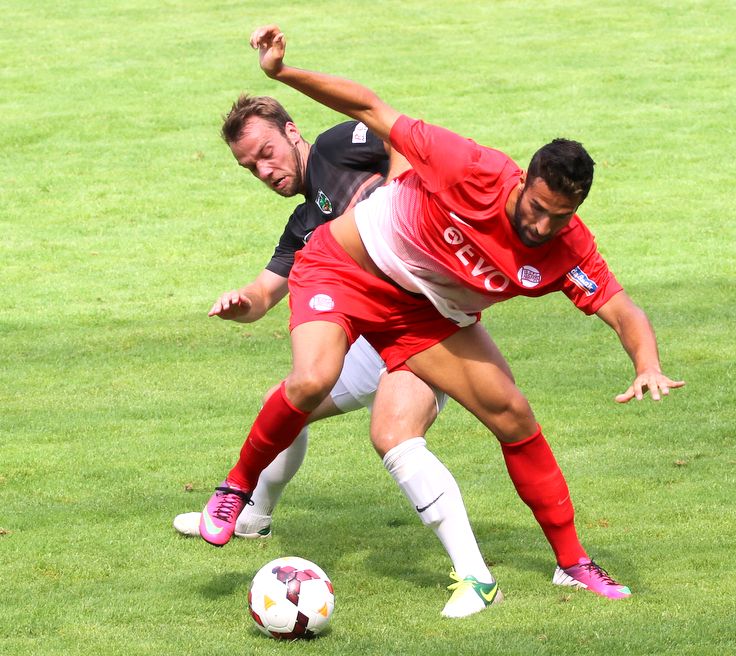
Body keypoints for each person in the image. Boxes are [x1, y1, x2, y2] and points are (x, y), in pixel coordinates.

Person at [198, 24, 685, 607]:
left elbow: (623, 310)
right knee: (311, 379)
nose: (541, 226)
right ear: (523, 181)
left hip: (421, 311)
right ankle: (237, 489)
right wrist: (281, 73)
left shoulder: (568, 248)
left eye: (559, 217)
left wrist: (647, 363)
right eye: (536, 208)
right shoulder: (469, 167)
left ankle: (573, 563)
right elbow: (370, 107)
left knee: (512, 416)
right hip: (344, 268)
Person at [177, 95, 501, 618]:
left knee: (395, 436)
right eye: (250, 167)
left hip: (423, 327)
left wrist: (392, 196)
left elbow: (400, 135)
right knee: (286, 402)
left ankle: (478, 578)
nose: (264, 171)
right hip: (373, 342)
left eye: (266, 153)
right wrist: (242, 303)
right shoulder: (303, 224)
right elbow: (264, 294)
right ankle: (253, 516)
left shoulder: (336, 146)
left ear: (292, 131)